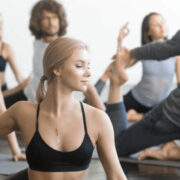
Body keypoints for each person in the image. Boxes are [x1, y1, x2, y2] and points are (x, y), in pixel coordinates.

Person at [0, 37, 127, 180]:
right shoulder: (23, 112)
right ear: (57, 69)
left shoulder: (98, 119)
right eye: (79, 66)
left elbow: (116, 176)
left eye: (88, 66)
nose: (88, 73)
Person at [122, 13, 180, 122]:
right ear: (148, 32)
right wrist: (120, 41)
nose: (161, 26)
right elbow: (121, 67)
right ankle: (139, 116)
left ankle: (134, 117)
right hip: (136, 98)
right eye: (156, 25)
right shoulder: (143, 51)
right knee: (106, 112)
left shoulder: (176, 54)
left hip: (158, 105)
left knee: (165, 121)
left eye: (162, 23)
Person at [24, 0, 68, 103]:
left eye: (54, 18)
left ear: (60, 19)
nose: (51, 23)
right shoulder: (37, 42)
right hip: (31, 95)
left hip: (51, 101)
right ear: (38, 21)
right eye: (46, 18)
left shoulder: (64, 46)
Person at [0, 13, 29, 161]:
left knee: (28, 94)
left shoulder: (6, 48)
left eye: (1, 24)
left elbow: (19, 77)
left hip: (4, 93)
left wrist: (28, 84)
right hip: (2, 97)